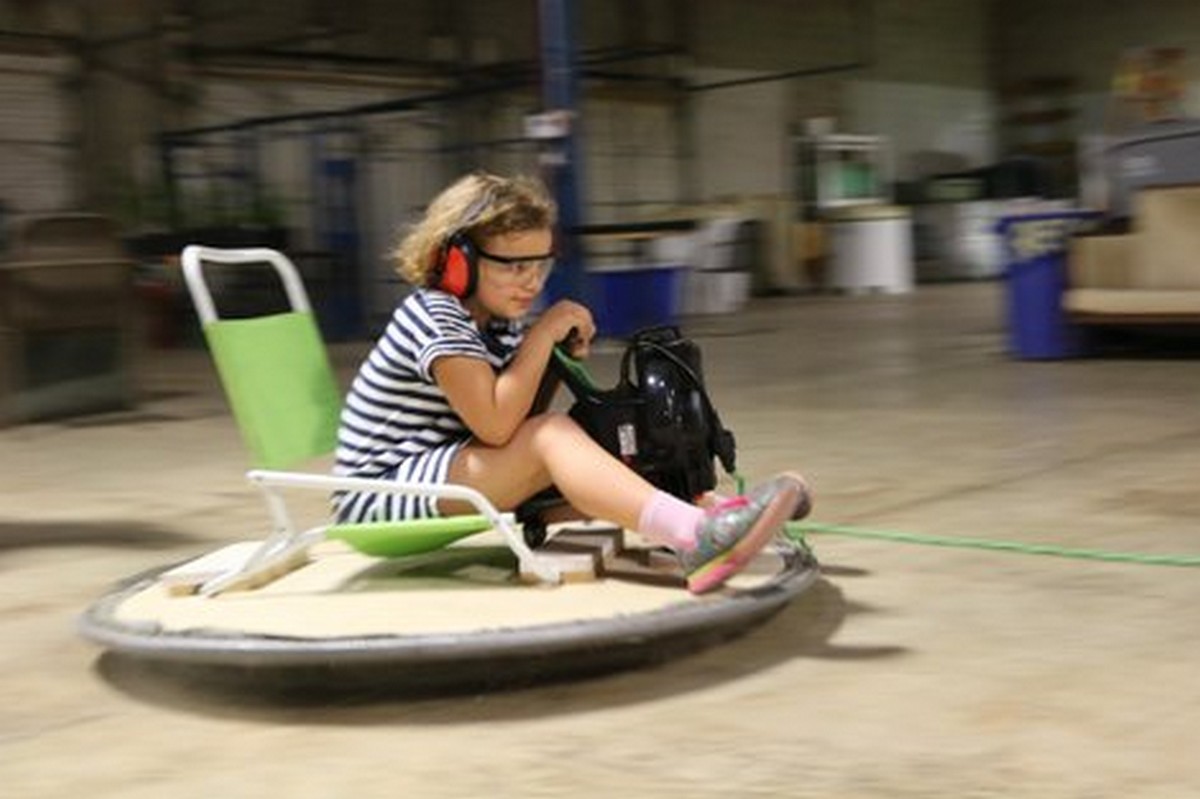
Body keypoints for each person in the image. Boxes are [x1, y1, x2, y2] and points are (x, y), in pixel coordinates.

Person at [334, 171, 809, 594]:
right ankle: (696, 537)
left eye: (540, 265)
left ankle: (714, 516)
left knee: (594, 437)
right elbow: (499, 430)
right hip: (381, 492)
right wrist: (542, 335)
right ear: (457, 261)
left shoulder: (494, 320)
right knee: (552, 437)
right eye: (514, 266)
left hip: (441, 474)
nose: (532, 282)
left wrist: (550, 360)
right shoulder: (435, 316)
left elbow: (517, 416)